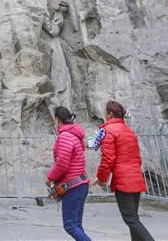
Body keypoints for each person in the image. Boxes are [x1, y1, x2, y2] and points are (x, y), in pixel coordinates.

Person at [95, 100, 154, 241]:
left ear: (109, 114)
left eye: (106, 112)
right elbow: (137, 157)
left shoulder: (108, 131)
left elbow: (108, 158)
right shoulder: (129, 131)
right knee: (133, 217)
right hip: (135, 176)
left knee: (130, 218)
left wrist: (101, 178)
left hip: (123, 179)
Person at [45, 107, 91, 241]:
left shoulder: (65, 136)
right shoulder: (76, 134)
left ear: (58, 119)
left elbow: (62, 163)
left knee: (70, 225)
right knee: (76, 225)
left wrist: (50, 177)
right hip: (81, 183)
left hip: (72, 186)